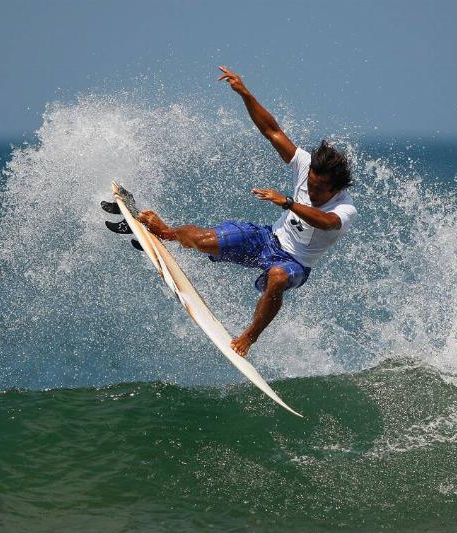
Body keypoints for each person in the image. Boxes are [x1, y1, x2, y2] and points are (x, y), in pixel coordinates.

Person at [139, 66, 357, 357]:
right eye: (310, 185)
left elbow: (327, 223)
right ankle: (167, 233)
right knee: (204, 240)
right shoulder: (306, 165)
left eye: (319, 189)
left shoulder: (344, 207)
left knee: (278, 277)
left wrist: (288, 203)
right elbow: (272, 130)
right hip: (267, 239)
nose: (312, 190)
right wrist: (245, 93)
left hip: (296, 264)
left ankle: (249, 336)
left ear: (335, 188)